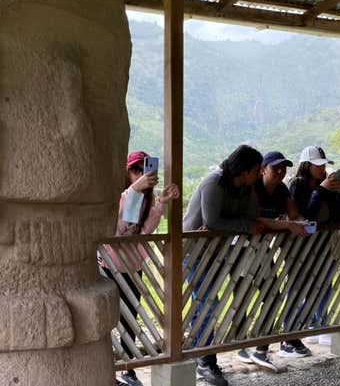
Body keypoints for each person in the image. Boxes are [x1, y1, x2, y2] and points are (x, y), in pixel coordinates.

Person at [183, 145, 268, 386]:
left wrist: (234, 224)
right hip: (195, 250)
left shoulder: (245, 188)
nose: (260, 174)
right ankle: (206, 360)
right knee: (207, 302)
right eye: (257, 170)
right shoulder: (214, 183)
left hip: (217, 251)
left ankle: (199, 353)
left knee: (206, 303)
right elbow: (212, 221)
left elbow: (250, 217)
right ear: (244, 170)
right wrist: (243, 226)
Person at [101, 151, 180, 386]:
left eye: (144, 169)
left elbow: (144, 231)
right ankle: (108, 370)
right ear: (126, 173)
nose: (140, 174)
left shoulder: (144, 199)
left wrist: (160, 203)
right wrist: (135, 190)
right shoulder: (120, 196)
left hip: (132, 265)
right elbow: (118, 230)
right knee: (108, 319)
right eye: (135, 169)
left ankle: (129, 369)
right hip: (111, 265)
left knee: (131, 320)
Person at [237, 151, 309, 369]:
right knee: (242, 297)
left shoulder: (282, 189)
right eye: (275, 168)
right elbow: (255, 219)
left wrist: (304, 222)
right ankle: (241, 343)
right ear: (262, 170)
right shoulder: (253, 188)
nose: (280, 172)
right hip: (241, 249)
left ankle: (261, 348)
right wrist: (287, 225)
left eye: (283, 168)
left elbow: (293, 214)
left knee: (272, 295)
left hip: (263, 250)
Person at [285, 146, 340, 346]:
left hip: (322, 244)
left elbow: (338, 214)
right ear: (306, 165)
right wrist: (321, 191)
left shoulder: (326, 186)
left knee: (324, 285)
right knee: (299, 287)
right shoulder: (297, 185)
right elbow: (305, 215)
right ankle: (292, 332)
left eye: (322, 165)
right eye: (317, 165)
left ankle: (319, 324)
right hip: (300, 246)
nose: (321, 169)